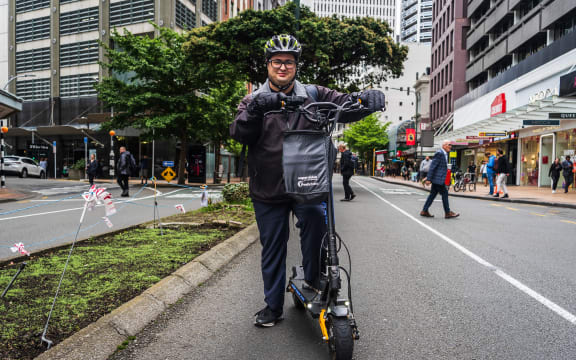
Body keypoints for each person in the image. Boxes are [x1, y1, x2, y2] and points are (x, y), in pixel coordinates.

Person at [230, 34, 385, 327]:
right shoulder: (252, 100)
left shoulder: (314, 94)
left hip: (307, 183)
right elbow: (238, 132)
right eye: (277, 61)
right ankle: (272, 306)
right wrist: (257, 108)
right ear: (268, 64)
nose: (283, 67)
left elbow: (346, 104)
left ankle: (312, 281)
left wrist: (367, 99)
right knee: (273, 247)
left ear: (296, 65)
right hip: (268, 189)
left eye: (289, 62)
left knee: (317, 224)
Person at [420, 140, 459, 219]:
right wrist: (428, 179)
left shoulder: (444, 154)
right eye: (449, 145)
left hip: (438, 178)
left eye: (451, 145)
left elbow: (438, 167)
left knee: (432, 195)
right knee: (444, 194)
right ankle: (447, 212)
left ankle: (424, 210)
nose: (450, 146)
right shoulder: (439, 153)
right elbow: (433, 166)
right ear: (444, 145)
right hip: (438, 179)